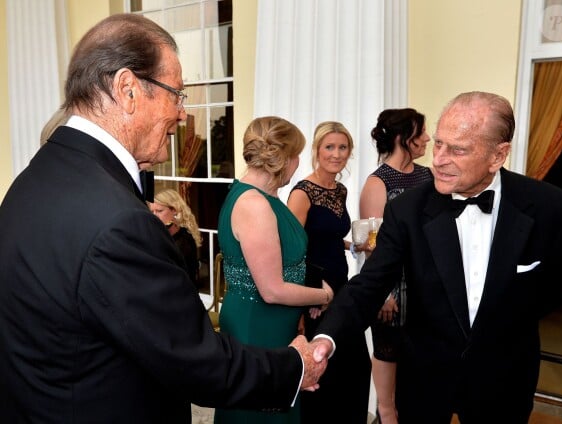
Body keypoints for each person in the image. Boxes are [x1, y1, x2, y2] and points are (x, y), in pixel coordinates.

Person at [0, 14, 328, 423]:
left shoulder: (33, 179)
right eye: (177, 94)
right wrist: (295, 366)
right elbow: (193, 359)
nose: (182, 114)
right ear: (127, 89)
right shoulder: (118, 220)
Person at [310, 91, 562, 423]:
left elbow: (555, 288)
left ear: (499, 155)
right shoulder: (407, 209)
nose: (438, 158)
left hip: (504, 380)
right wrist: (326, 337)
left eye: (458, 149)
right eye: (438, 144)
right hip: (425, 380)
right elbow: (369, 284)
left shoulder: (553, 210)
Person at [214, 116, 335, 424]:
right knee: (259, 410)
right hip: (257, 327)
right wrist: (322, 295)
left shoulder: (266, 197)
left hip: (274, 323)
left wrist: (305, 293)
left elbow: (283, 267)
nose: (297, 164)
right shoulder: (254, 204)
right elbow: (272, 289)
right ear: (281, 158)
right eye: (295, 156)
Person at [287, 121, 370, 423]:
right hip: (315, 295)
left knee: (356, 366)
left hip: (342, 287)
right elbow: (292, 250)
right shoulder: (302, 192)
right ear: (317, 150)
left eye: (343, 147)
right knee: (324, 375)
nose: (336, 154)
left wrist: (354, 245)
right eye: (329, 147)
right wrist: (312, 294)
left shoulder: (339, 189)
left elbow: (328, 236)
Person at [359, 108, 432, 424]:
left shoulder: (429, 176)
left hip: (426, 283)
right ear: (405, 138)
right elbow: (373, 246)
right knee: (388, 349)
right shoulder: (378, 182)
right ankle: (386, 414)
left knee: (419, 356)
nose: (428, 138)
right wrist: (383, 293)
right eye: (422, 133)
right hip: (394, 287)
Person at [149, 188, 203, 288]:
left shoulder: (183, 241)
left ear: (174, 210)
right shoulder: (158, 234)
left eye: (159, 211)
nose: (154, 216)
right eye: (152, 212)